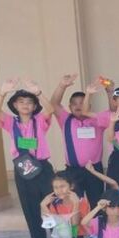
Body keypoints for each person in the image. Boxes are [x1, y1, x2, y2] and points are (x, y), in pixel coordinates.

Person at [0, 78, 55, 238]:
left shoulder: (39, 120)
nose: (25, 105)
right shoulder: (11, 122)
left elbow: (50, 109)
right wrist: (2, 93)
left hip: (42, 167)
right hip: (22, 167)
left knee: (52, 203)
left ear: (34, 106)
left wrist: (38, 92)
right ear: (15, 105)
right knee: (29, 204)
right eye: (21, 102)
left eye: (29, 102)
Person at [47, 74, 105, 205]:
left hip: (94, 170)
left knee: (97, 202)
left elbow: (113, 112)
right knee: (73, 203)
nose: (78, 106)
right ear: (70, 106)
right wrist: (62, 86)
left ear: (89, 105)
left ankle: (96, 219)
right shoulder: (65, 119)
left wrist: (108, 90)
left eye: (82, 103)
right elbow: (54, 104)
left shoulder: (97, 120)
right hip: (73, 170)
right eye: (74, 104)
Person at [36, 172, 90, 238]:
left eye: (62, 186)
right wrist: (43, 205)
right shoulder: (55, 203)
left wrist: (76, 205)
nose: (59, 190)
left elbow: (74, 229)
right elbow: (50, 224)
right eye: (55, 187)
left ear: (71, 186)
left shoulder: (81, 202)